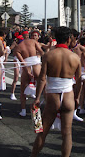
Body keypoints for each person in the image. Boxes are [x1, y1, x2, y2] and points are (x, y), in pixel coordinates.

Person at [31, 26, 81, 157]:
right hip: (68, 96)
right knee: (67, 133)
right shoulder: (75, 57)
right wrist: (77, 97)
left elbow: (42, 79)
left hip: (52, 95)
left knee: (42, 131)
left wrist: (37, 98)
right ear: (69, 39)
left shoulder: (48, 55)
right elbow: (79, 80)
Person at [15, 35, 44, 117]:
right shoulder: (33, 42)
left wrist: (27, 70)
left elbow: (22, 62)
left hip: (26, 66)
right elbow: (41, 52)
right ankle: (38, 105)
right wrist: (39, 57)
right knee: (43, 88)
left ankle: (23, 110)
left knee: (22, 91)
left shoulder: (18, 47)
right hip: (36, 65)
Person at [10, 34, 24, 100]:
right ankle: (12, 93)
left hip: (23, 59)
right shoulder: (15, 44)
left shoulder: (24, 43)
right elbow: (9, 49)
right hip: (17, 60)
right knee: (16, 78)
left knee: (24, 78)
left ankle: (23, 93)